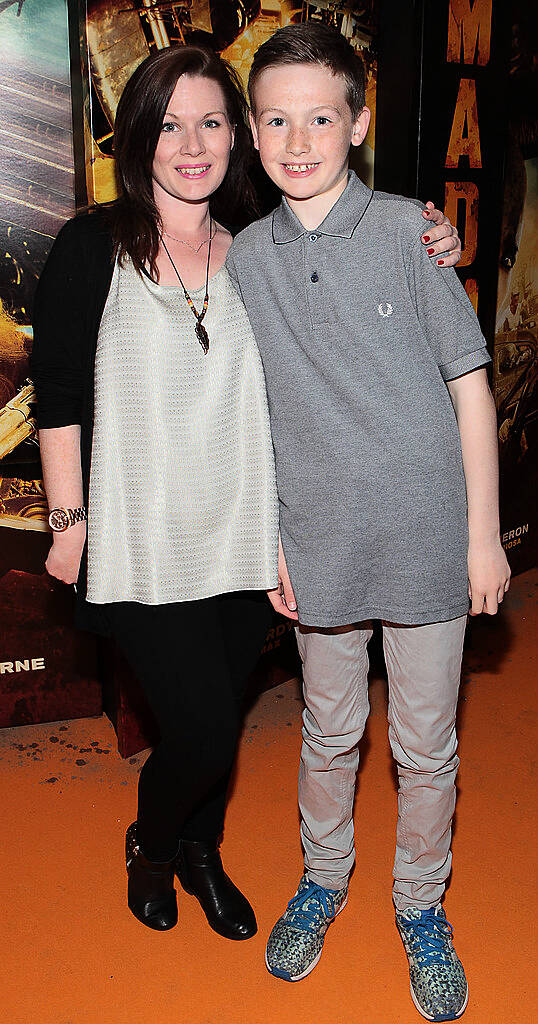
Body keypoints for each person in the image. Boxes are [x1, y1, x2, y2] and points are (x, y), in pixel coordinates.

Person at [30, 43, 459, 945]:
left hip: (242, 536)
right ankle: (151, 849)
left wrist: (434, 234)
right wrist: (68, 523)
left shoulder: (253, 250)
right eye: (170, 124)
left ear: (237, 137)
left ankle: (201, 850)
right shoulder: (90, 246)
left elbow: (349, 261)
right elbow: (59, 395)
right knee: (200, 733)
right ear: (138, 136)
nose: (193, 144)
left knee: (220, 716)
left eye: (213, 122)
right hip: (141, 540)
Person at [225, 22, 510, 1021]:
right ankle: (323, 879)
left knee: (427, 746)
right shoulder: (246, 258)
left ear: (358, 123)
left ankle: (420, 906)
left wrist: (482, 534)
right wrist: (265, 537)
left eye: (319, 115)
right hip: (317, 543)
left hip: (429, 536)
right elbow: (246, 414)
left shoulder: (407, 233)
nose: (297, 137)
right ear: (253, 134)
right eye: (275, 118)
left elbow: (469, 382)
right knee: (327, 730)